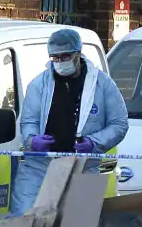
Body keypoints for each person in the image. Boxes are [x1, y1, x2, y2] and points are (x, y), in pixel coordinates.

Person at [10, 28, 129, 214]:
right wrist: (32, 139)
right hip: (40, 166)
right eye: (54, 58)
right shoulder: (38, 85)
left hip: (85, 167)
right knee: (25, 218)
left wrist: (94, 143)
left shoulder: (103, 85)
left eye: (65, 57)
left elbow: (119, 124)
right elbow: (28, 121)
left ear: (78, 54)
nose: (59, 62)